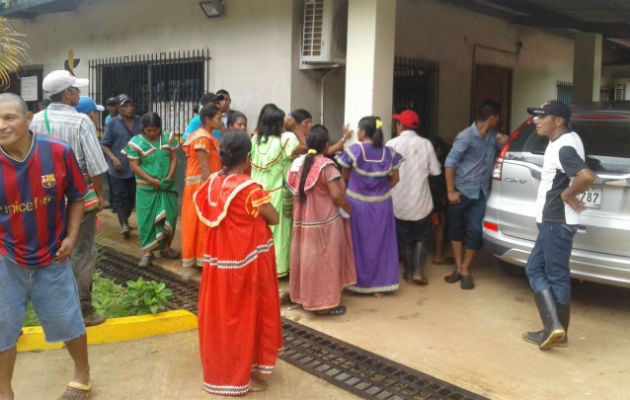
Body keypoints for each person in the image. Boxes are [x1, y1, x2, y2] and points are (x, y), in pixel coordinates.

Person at [0, 93, 93, 400]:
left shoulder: (58, 152)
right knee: (2, 329)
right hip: (5, 260)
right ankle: (5, 391)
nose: (2, 126)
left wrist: (71, 237)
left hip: (52, 257)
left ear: (29, 120)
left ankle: (83, 375)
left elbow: (78, 196)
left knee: (68, 319)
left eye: (9, 118)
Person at [194, 130, 283, 396]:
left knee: (223, 318)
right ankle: (238, 376)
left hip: (218, 265)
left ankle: (229, 368)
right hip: (246, 266)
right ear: (248, 157)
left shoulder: (211, 183)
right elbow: (274, 217)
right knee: (244, 318)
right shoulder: (249, 189)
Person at [30, 70, 109, 327]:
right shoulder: (81, 122)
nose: (79, 94)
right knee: (82, 251)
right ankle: (83, 309)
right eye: (76, 90)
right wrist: (99, 196)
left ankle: (49, 306)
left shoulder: (35, 120)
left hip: (44, 199)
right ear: (67, 94)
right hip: (79, 196)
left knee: (48, 249)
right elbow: (96, 166)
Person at [522, 101, 594, 350]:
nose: (536, 121)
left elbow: (586, 176)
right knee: (536, 268)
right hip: (553, 220)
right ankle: (555, 329)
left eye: (542, 117)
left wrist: (566, 195)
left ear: (558, 121)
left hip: (556, 220)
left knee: (554, 274)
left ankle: (555, 328)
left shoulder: (563, 146)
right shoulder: (566, 140)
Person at [286, 125, 356, 316]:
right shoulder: (327, 166)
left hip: (302, 223)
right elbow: (336, 195)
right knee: (326, 262)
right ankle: (325, 303)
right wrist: (349, 208)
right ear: (326, 146)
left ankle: (304, 298)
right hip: (325, 223)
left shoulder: (297, 164)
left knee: (306, 262)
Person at [443, 100, 508, 290]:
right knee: (455, 230)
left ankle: (464, 269)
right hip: (461, 191)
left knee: (475, 231)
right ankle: (458, 268)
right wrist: (450, 191)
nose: (499, 120)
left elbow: (505, 146)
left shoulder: (493, 136)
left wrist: (505, 140)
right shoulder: (465, 137)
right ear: (492, 117)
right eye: (498, 117)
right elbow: (450, 163)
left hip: (480, 192)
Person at [335, 116, 402, 296]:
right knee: (381, 244)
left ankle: (356, 283)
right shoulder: (389, 153)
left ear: (363, 132)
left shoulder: (354, 151)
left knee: (357, 244)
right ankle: (379, 287)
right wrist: (379, 191)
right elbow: (395, 179)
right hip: (382, 205)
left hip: (357, 205)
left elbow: (345, 177)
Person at [250, 104, 306, 277]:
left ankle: (259, 266)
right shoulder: (285, 140)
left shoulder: (254, 140)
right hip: (277, 194)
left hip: (256, 194)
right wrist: (295, 127)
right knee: (279, 233)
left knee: (258, 231)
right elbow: (305, 147)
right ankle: (278, 269)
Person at [387, 110, 441, 285]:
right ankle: (419, 271)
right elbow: (436, 171)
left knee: (403, 238)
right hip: (421, 201)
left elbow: (385, 172)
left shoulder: (391, 144)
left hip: (399, 201)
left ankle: (408, 272)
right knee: (422, 237)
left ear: (400, 125)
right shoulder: (425, 144)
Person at [122, 112, 180, 268]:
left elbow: (174, 157)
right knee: (147, 219)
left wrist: (169, 175)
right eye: (149, 130)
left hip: (167, 185)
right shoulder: (136, 142)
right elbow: (134, 165)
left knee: (171, 215)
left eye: (155, 130)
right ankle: (148, 252)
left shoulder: (168, 137)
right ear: (143, 129)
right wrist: (151, 180)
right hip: (147, 188)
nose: (152, 133)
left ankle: (166, 247)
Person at [181, 104, 222, 268]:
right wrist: (209, 189)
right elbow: (204, 167)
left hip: (201, 183)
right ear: (207, 119)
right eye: (218, 118)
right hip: (200, 184)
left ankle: (201, 258)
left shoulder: (205, 135)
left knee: (200, 222)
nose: (221, 121)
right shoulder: (202, 138)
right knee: (201, 222)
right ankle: (201, 258)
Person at [100, 94, 141, 237]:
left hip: (135, 167)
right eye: (125, 106)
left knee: (131, 196)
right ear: (119, 108)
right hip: (117, 167)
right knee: (120, 196)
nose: (129, 108)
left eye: (131, 105)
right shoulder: (112, 123)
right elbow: (104, 145)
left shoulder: (139, 122)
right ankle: (123, 224)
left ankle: (126, 219)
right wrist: (113, 159)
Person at [428, 134, 453, 265]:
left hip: (420, 201)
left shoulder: (421, 161)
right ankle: (438, 256)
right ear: (438, 151)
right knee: (440, 226)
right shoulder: (437, 165)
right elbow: (438, 184)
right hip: (436, 202)